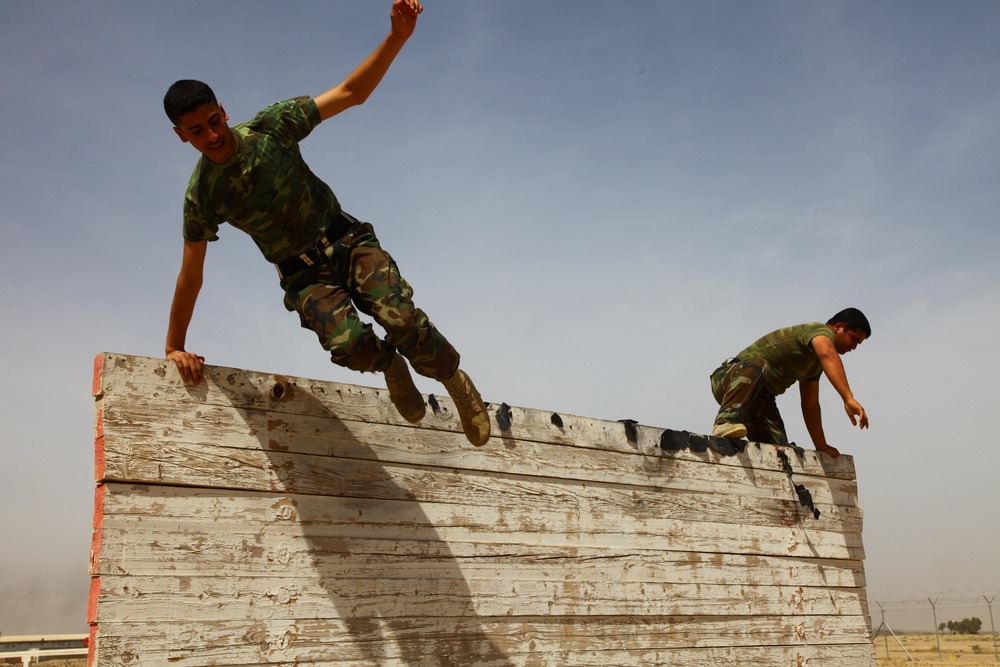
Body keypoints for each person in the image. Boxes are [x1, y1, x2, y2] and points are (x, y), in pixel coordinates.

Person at [161, 0, 490, 446]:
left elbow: (352, 93)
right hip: (302, 275)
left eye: (214, 120)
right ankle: (390, 366)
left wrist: (397, 37)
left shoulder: (271, 128)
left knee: (401, 317)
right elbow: (190, 275)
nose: (212, 135)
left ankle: (453, 379)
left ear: (223, 108)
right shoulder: (202, 195)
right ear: (181, 135)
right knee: (348, 345)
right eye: (197, 130)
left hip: (348, 241)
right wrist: (173, 345)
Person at [709, 308, 871, 458]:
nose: (854, 347)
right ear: (838, 327)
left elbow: (810, 404)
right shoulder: (818, 331)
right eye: (853, 339)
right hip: (729, 380)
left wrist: (821, 445)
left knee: (779, 453)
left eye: (858, 343)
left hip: (759, 400)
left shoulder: (814, 364)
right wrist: (848, 398)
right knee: (759, 364)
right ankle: (725, 422)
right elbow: (828, 354)